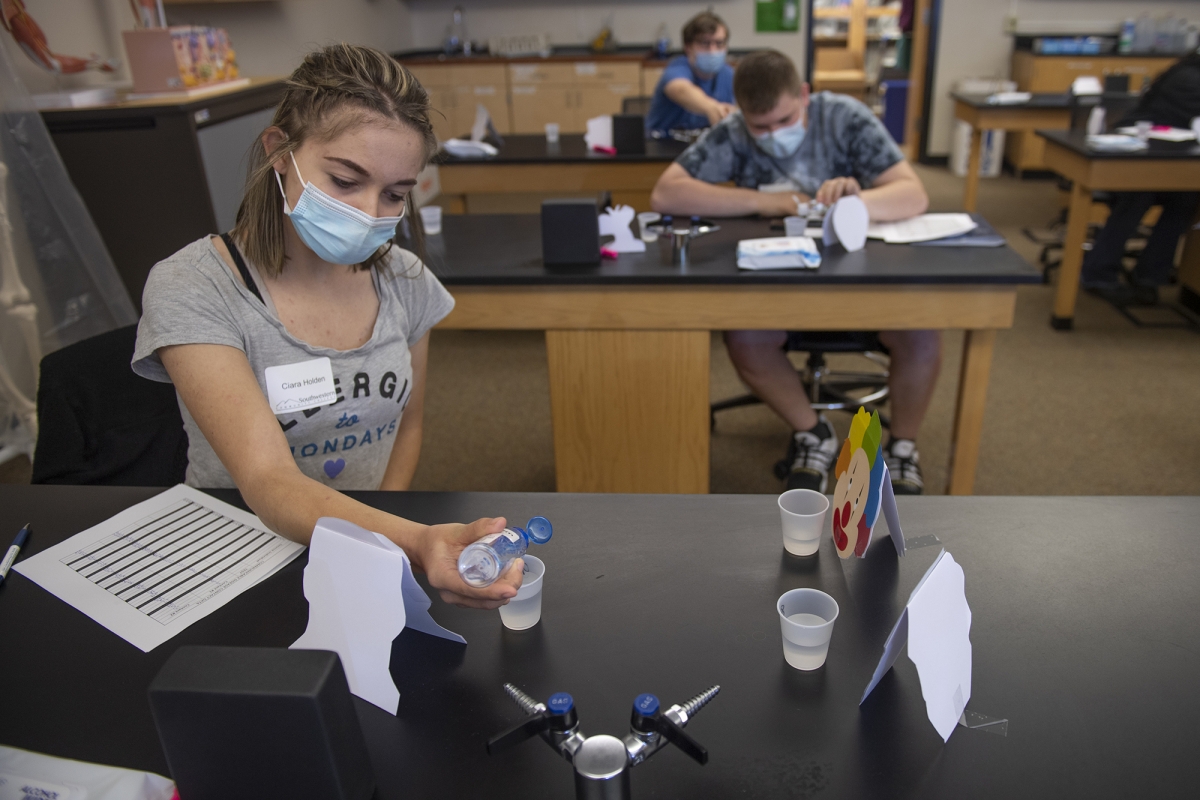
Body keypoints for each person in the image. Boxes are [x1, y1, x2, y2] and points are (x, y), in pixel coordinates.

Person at [131, 44, 521, 609]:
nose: (368, 212)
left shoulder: (405, 280)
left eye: (394, 194)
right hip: (237, 554)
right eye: (344, 180)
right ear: (280, 154)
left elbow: (408, 427)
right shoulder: (194, 286)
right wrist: (412, 542)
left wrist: (383, 545)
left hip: (371, 543)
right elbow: (269, 480)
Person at [651, 50, 936, 495]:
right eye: (759, 127)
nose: (772, 134)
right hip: (775, 283)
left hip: (859, 279)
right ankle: (813, 432)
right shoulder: (733, 132)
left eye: (784, 120)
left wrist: (855, 204)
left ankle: (902, 447)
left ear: (803, 95)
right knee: (745, 336)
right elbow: (666, 194)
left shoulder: (844, 117)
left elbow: (913, 194)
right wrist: (768, 200)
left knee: (921, 332)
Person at [1082, 53, 1200, 306]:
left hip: (1171, 163)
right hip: (1135, 160)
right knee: (1137, 199)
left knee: (1186, 200)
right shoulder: (1188, 79)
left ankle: (1150, 275)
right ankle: (1099, 273)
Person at [645, 11, 736, 136]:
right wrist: (711, 108)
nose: (713, 50)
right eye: (705, 43)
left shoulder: (729, 75)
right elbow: (680, 90)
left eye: (719, 44)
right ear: (688, 47)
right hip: (662, 147)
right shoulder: (677, 68)